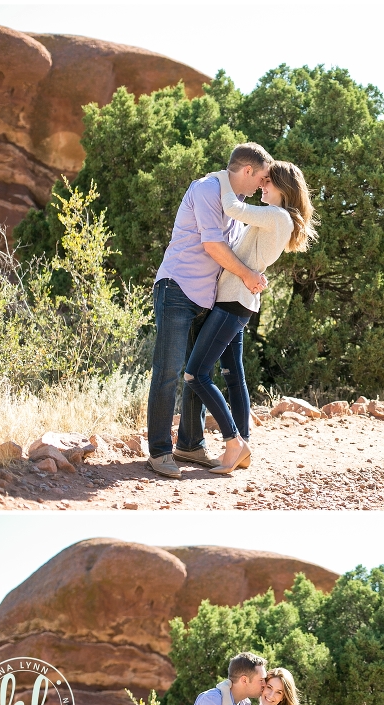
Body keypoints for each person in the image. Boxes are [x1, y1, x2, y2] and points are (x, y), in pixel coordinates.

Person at [146, 143, 273, 480]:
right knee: (168, 371)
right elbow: (212, 245)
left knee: (195, 371)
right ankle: (159, 451)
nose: (263, 185)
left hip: (206, 299)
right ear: (246, 171)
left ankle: (189, 445)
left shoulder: (239, 206)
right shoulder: (207, 189)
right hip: (176, 290)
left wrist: (255, 274)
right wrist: (248, 275)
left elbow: (237, 252)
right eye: (261, 177)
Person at [182, 162, 319, 475]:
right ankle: (241, 446)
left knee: (195, 374)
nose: (261, 187)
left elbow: (231, 207)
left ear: (284, 188)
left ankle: (234, 442)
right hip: (240, 301)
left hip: (233, 302)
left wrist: (220, 176)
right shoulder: (280, 219)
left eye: (267, 183)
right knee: (232, 375)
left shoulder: (275, 215)